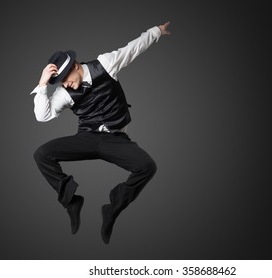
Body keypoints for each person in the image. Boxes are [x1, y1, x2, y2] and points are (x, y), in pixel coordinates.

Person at [30, 22, 171, 244]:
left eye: (67, 78)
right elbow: (42, 116)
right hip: (87, 138)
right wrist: (43, 84)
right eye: (61, 82)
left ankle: (112, 208)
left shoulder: (105, 64)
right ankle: (71, 201)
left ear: (76, 65)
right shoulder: (63, 93)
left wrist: (156, 32)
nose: (66, 84)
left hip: (115, 138)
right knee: (41, 154)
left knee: (147, 167)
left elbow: (132, 49)